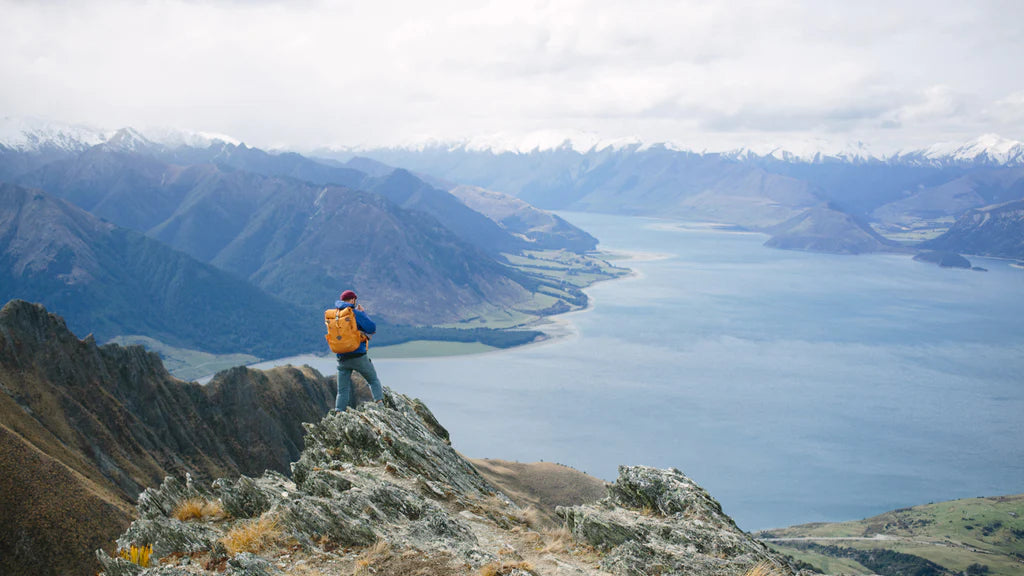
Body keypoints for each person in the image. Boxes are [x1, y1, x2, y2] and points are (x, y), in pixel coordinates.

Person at [332, 289, 383, 411]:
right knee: (373, 380)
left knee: (342, 390)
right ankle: (381, 406)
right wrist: (363, 313)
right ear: (353, 300)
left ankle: (339, 412)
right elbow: (372, 327)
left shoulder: (335, 315)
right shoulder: (354, 313)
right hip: (358, 356)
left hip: (342, 358)